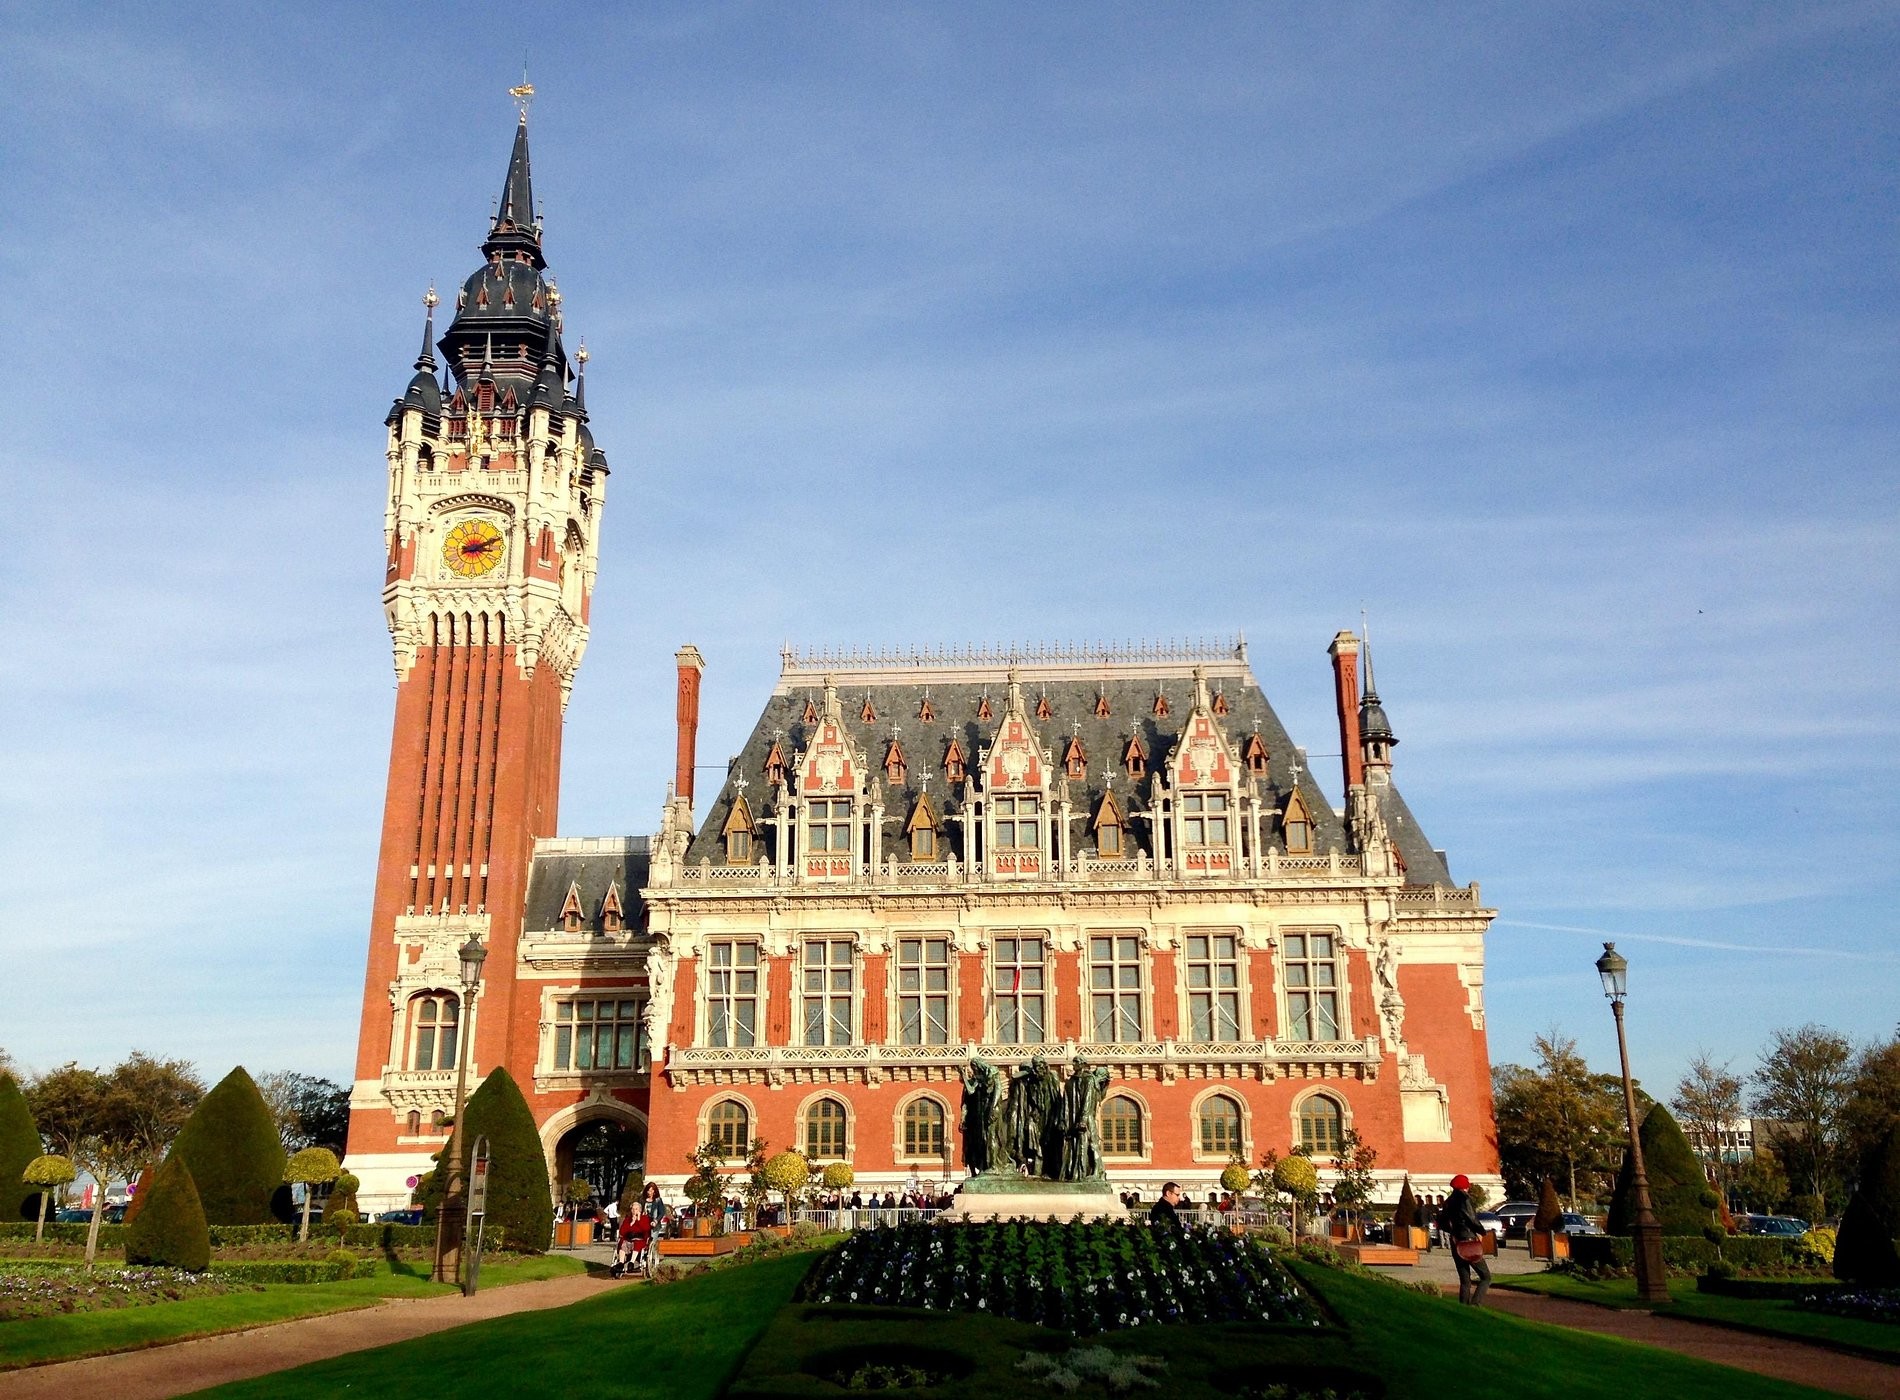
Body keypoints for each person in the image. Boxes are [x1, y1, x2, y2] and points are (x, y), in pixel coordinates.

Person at [1435, 1175, 1490, 1306]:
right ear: (1465, 1186)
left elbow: (1441, 1221)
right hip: (1469, 1241)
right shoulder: (1464, 1199)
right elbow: (1471, 1218)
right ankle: (1475, 1303)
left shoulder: (1448, 1201)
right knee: (1485, 1276)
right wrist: (1481, 1231)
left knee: (1465, 1279)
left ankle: (1463, 1305)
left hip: (1456, 1241)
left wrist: (1453, 1231)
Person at [638, 1182, 668, 1279]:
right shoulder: (642, 1200)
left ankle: (652, 1260)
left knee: (652, 1241)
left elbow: (662, 1212)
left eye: (652, 1190)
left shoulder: (658, 1201)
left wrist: (656, 1220)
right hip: (643, 1222)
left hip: (654, 1224)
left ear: (655, 1191)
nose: (650, 1192)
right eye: (648, 1190)